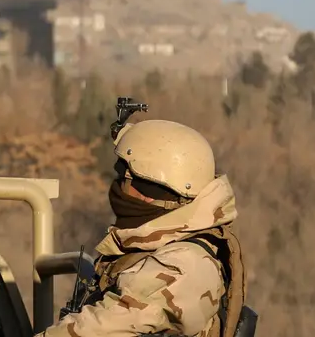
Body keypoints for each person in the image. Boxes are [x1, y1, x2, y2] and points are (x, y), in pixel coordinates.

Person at [46, 119, 251, 337]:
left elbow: (102, 327)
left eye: (124, 178)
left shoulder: (183, 265)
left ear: (149, 190)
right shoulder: (164, 247)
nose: (118, 188)